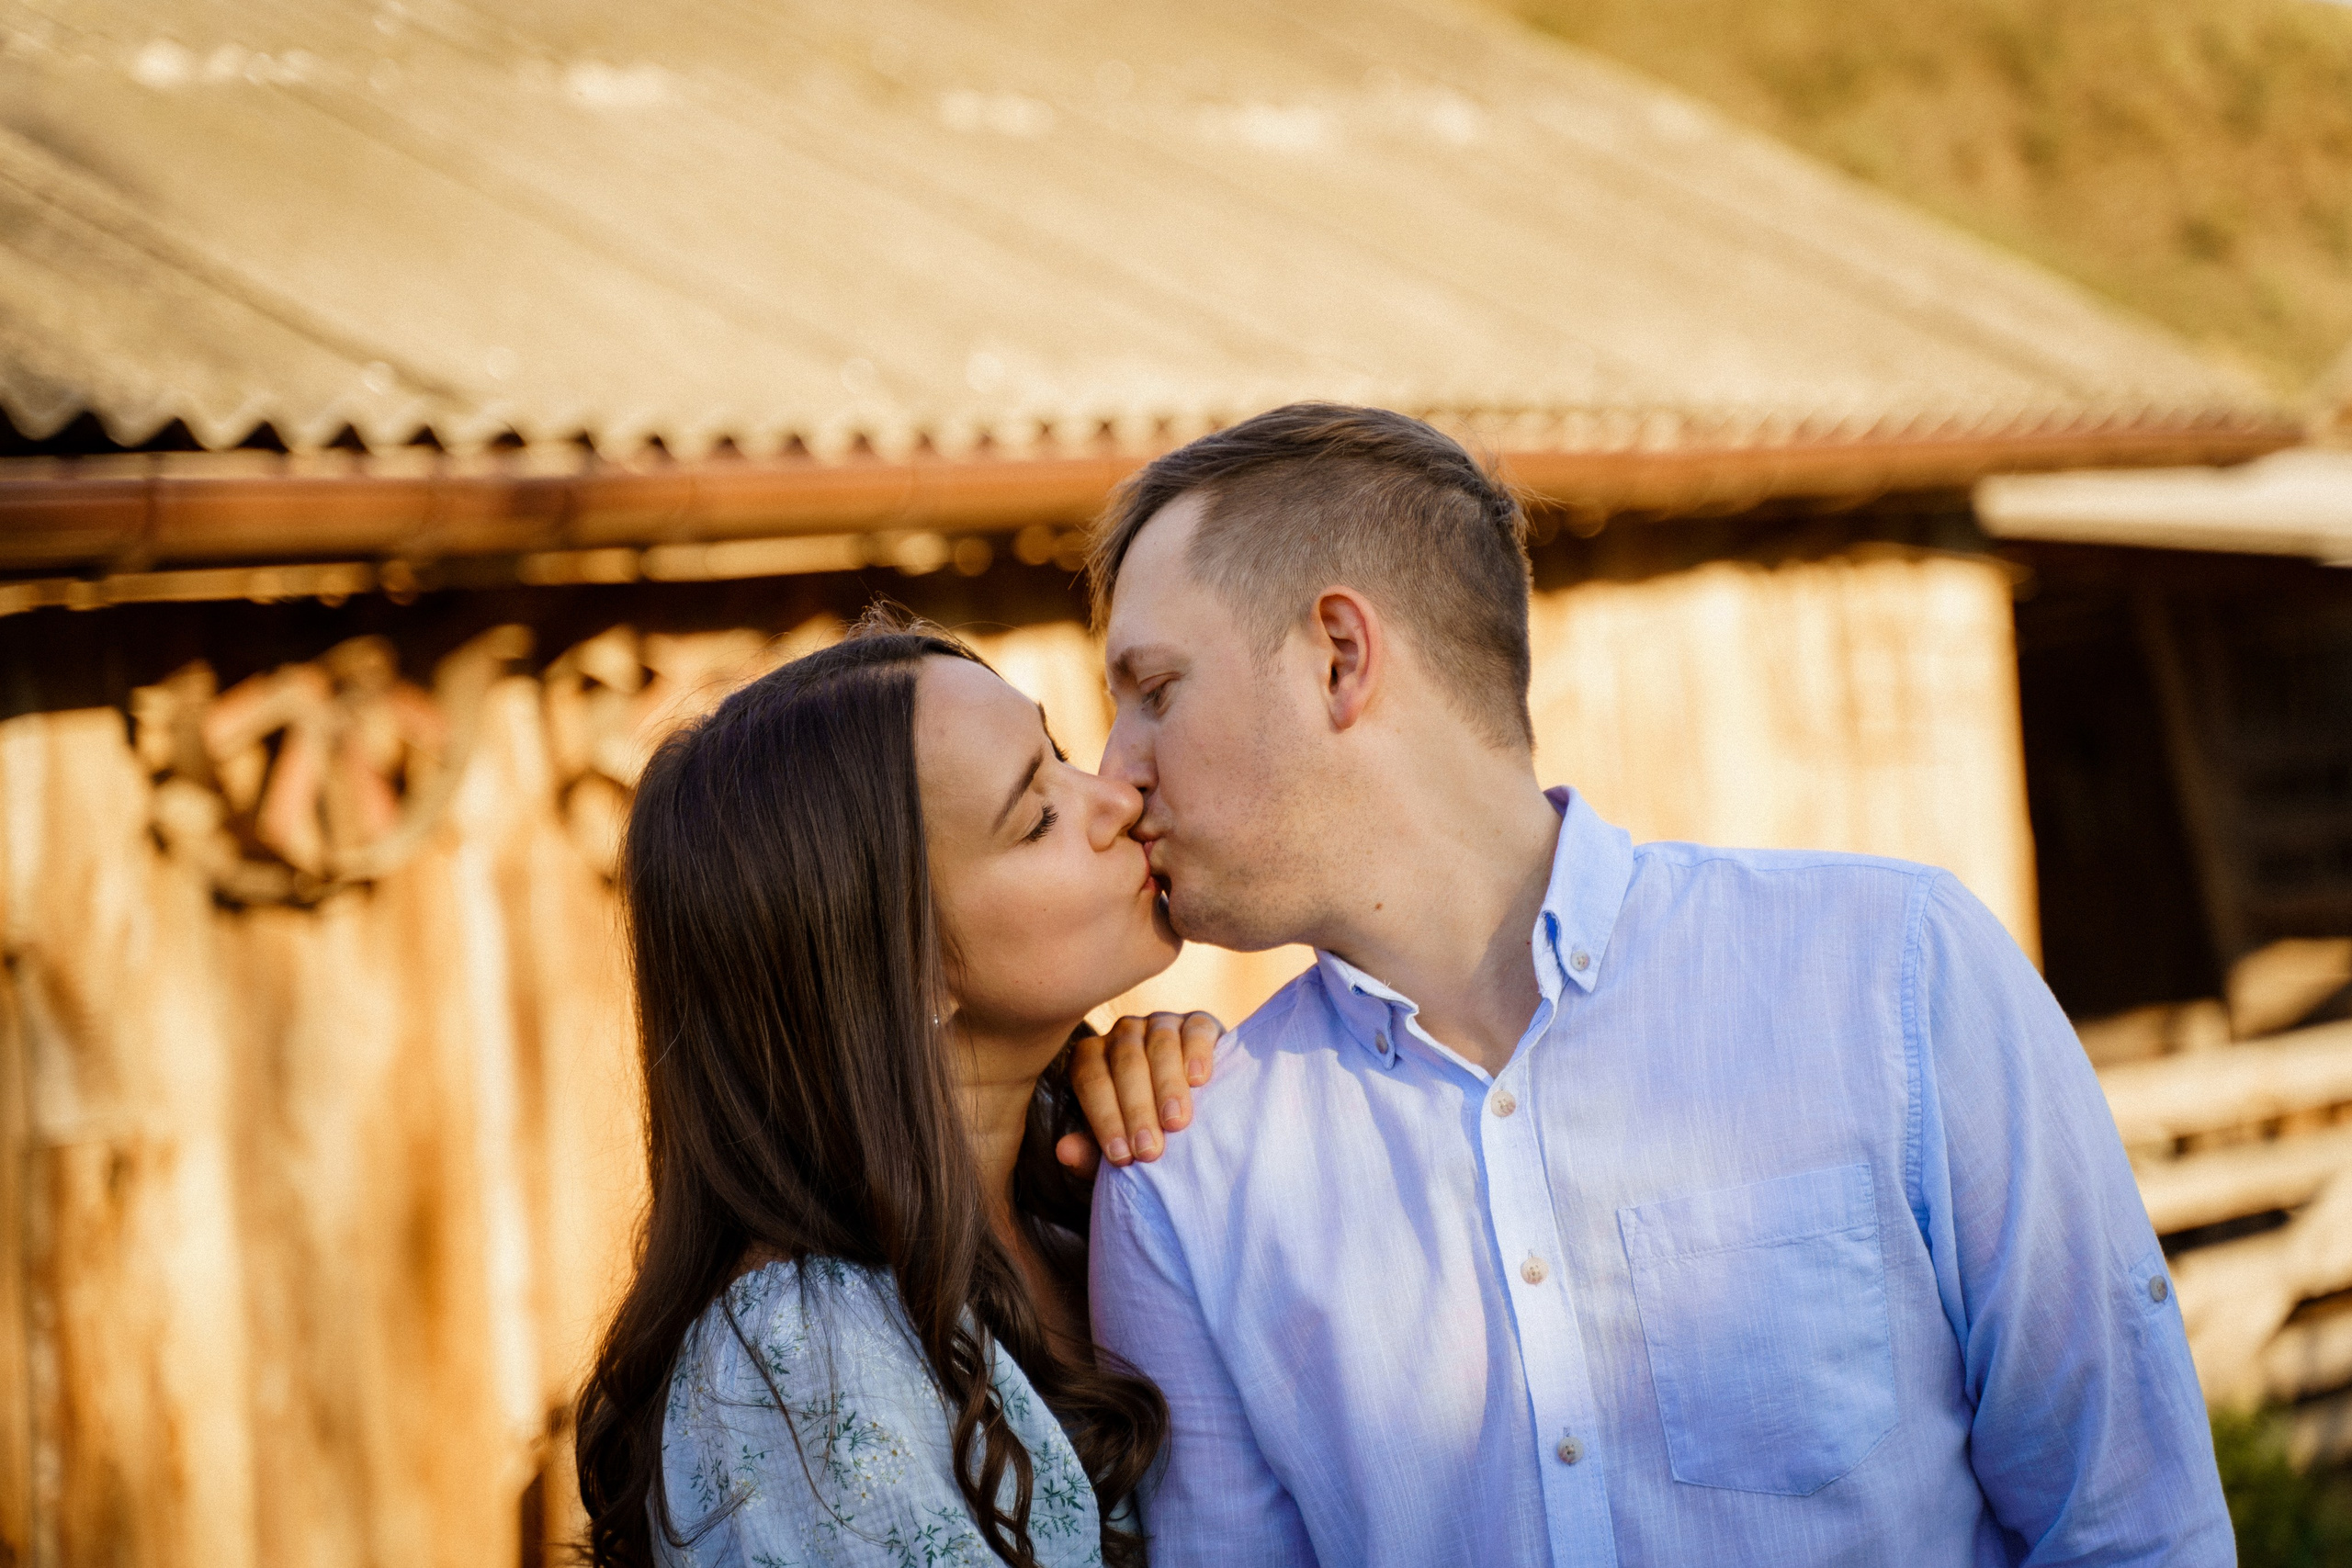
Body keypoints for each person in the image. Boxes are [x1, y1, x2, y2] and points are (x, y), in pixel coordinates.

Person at [1081, 404, 2233, 1566]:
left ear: (1340, 656)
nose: (1113, 776)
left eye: (1155, 689)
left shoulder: (1896, 975)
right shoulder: (1184, 1176)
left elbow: (2136, 1531)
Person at [573, 613, 1223, 1568]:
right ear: (904, 967)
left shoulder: (1085, 1191)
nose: (1114, 799)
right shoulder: (795, 1365)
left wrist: (1207, 1125)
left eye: (1062, 756)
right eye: (1037, 815)